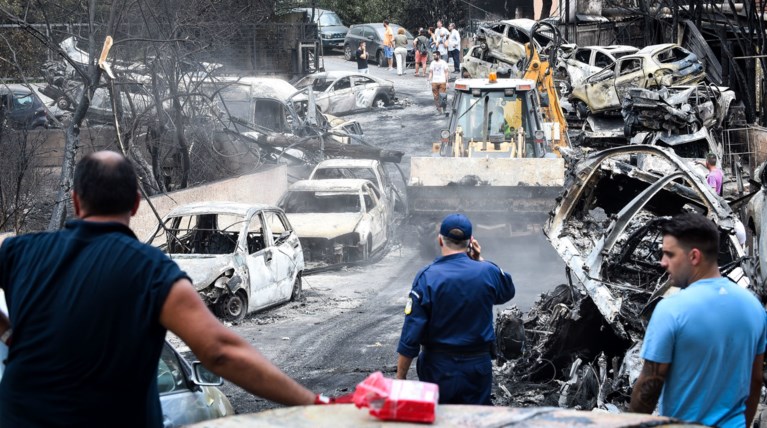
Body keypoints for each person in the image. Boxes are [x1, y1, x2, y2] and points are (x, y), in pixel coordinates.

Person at [0, 151, 319, 427]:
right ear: (137, 204)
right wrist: (314, 403)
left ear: (75, 200)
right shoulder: (150, 270)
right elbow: (219, 351)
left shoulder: (20, 251)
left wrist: (7, 335)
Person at [629, 213, 766, 427]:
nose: (662, 263)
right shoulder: (754, 308)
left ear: (694, 256)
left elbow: (649, 386)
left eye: (669, 255)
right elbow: (755, 380)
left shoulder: (671, 309)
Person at [396, 214, 515, 404]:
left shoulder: (427, 276)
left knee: (439, 418)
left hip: (437, 367)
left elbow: (411, 333)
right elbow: (507, 292)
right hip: (477, 366)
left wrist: (400, 377)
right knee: (476, 420)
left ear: (440, 239)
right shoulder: (487, 272)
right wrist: (480, 259)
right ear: (471, 242)